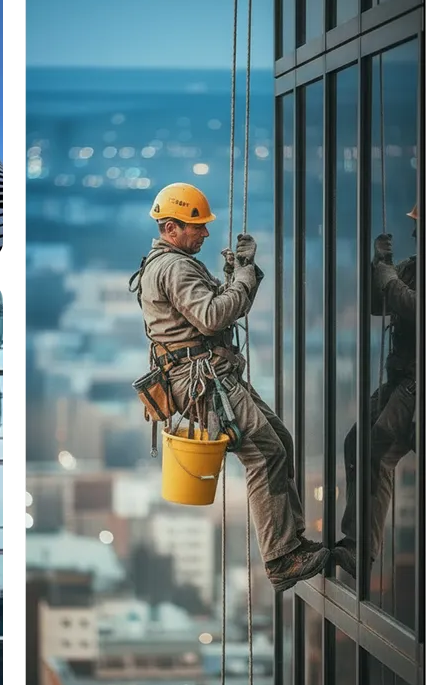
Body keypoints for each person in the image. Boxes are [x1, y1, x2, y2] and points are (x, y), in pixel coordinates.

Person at [132, 182, 328, 592]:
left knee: (281, 441)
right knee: (265, 453)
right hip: (203, 380)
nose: (204, 233)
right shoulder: (175, 267)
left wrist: (240, 277)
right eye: (196, 226)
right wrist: (241, 277)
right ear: (171, 227)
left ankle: (292, 542)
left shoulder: (168, 262)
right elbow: (212, 317)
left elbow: (209, 312)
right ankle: (281, 558)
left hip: (209, 374)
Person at [334, 205, 418, 578]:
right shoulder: (415, 266)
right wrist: (378, 269)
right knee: (357, 442)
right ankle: (357, 544)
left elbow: (413, 305)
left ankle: (361, 549)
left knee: (380, 449)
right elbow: (376, 305)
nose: (415, 234)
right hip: (403, 377)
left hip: (417, 383)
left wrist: (387, 277)